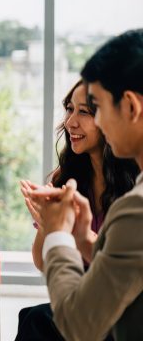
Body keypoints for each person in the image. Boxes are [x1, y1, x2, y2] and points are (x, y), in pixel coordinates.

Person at [23, 28, 143, 341]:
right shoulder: (69, 178)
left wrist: (60, 235)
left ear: (131, 107)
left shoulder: (136, 206)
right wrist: (81, 239)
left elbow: (78, 325)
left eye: (96, 108)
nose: (73, 122)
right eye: (70, 109)